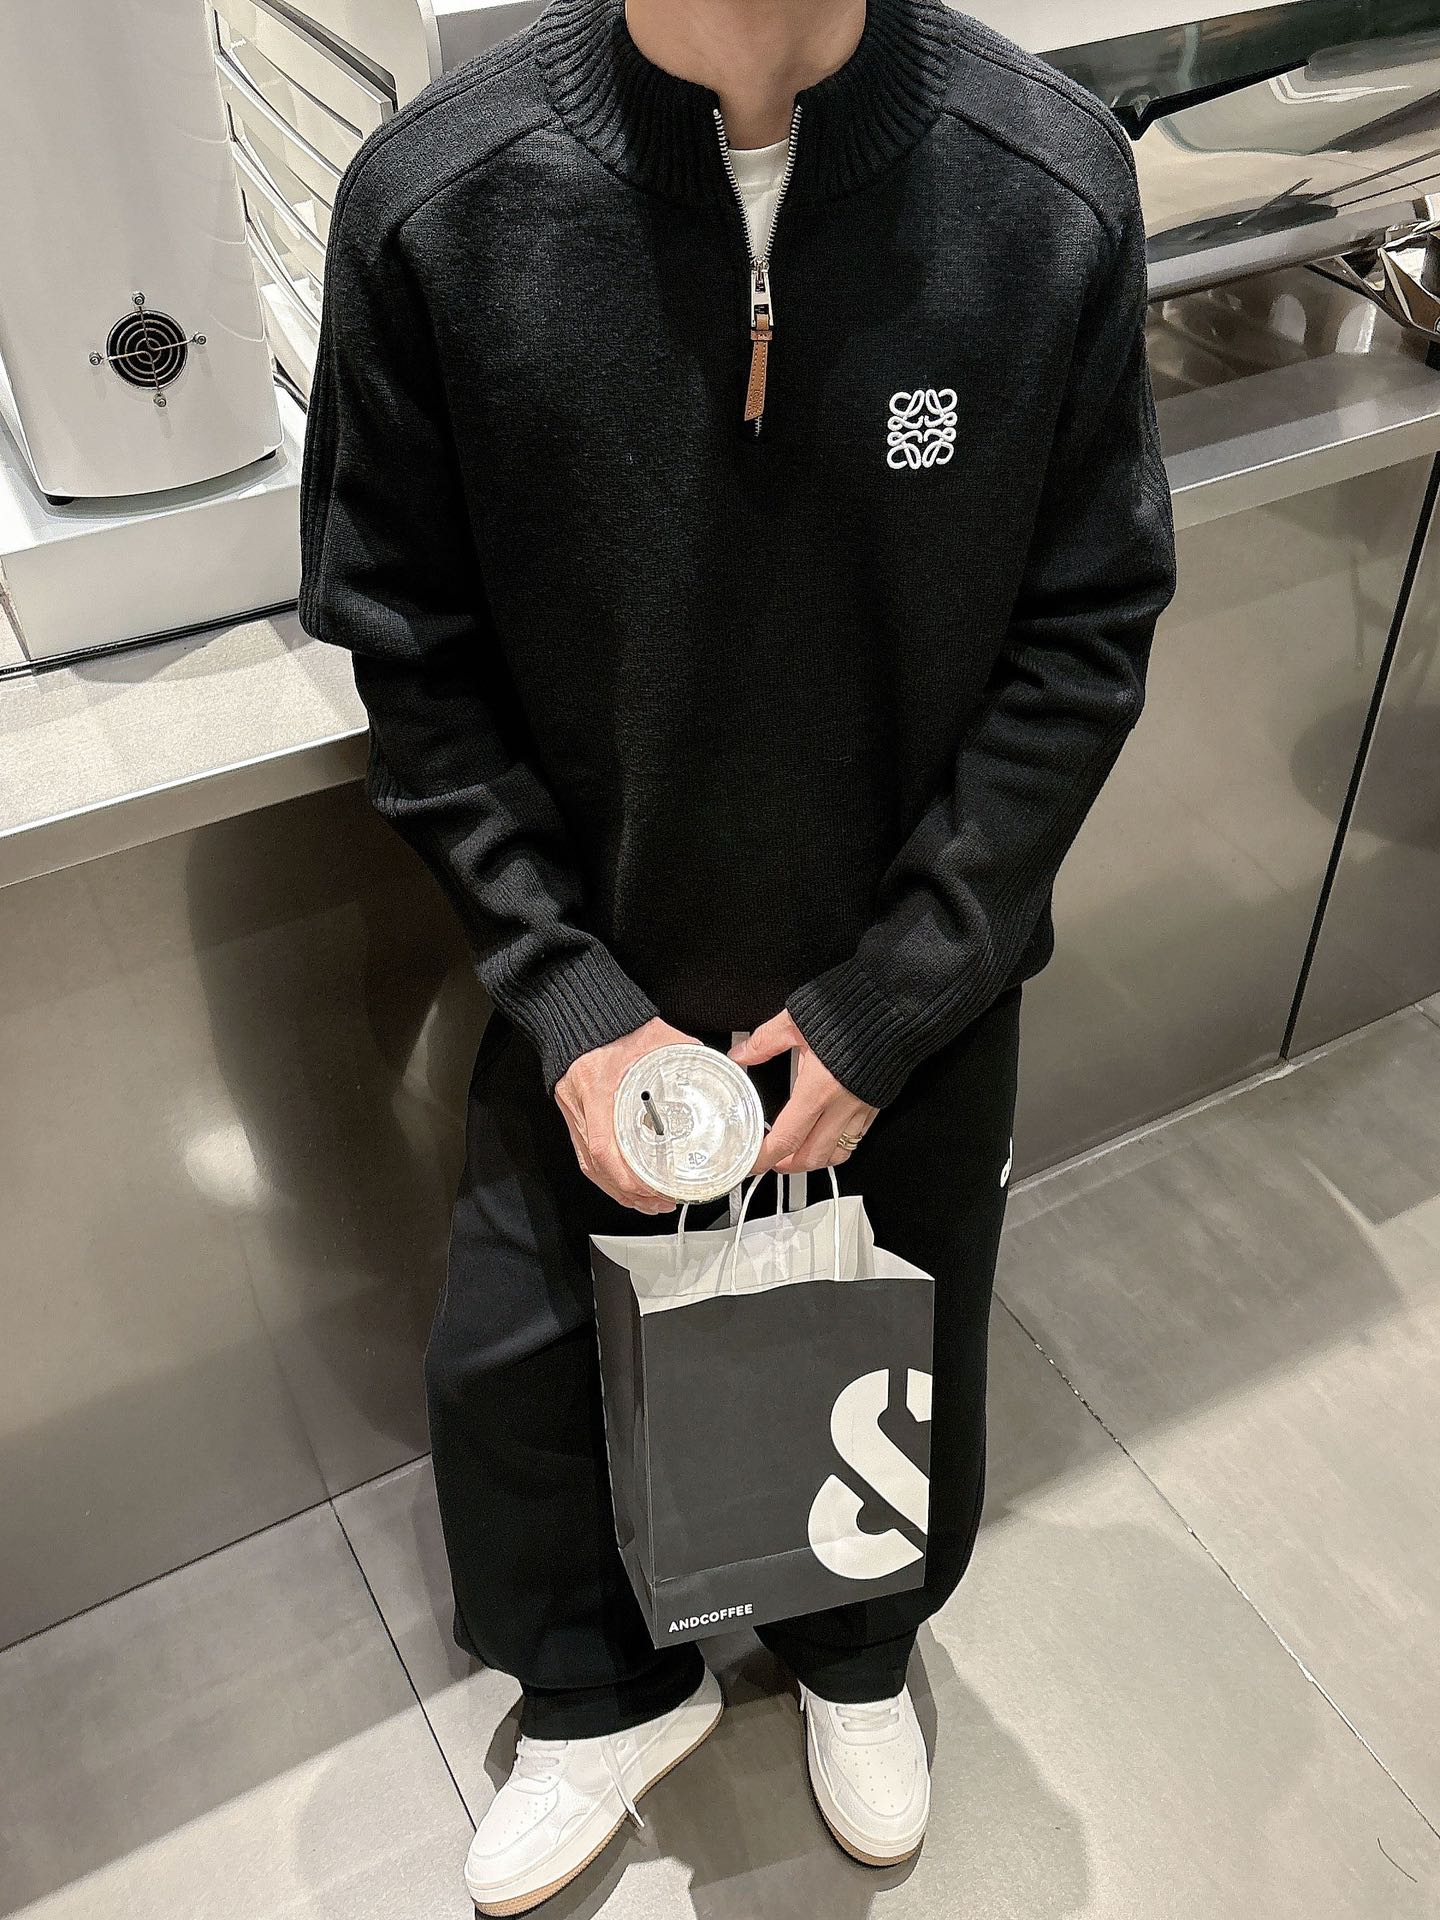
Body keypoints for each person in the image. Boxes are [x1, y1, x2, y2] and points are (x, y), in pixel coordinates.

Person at [297, 0, 1177, 1907]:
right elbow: (413, 659)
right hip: (597, 967)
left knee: (895, 1352)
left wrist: (901, 992)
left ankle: (853, 1661)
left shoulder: (1046, 185)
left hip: (908, 991)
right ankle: (604, 1694)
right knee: (526, 1376)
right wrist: (566, 992)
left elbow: (1088, 628)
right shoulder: (440, 204)